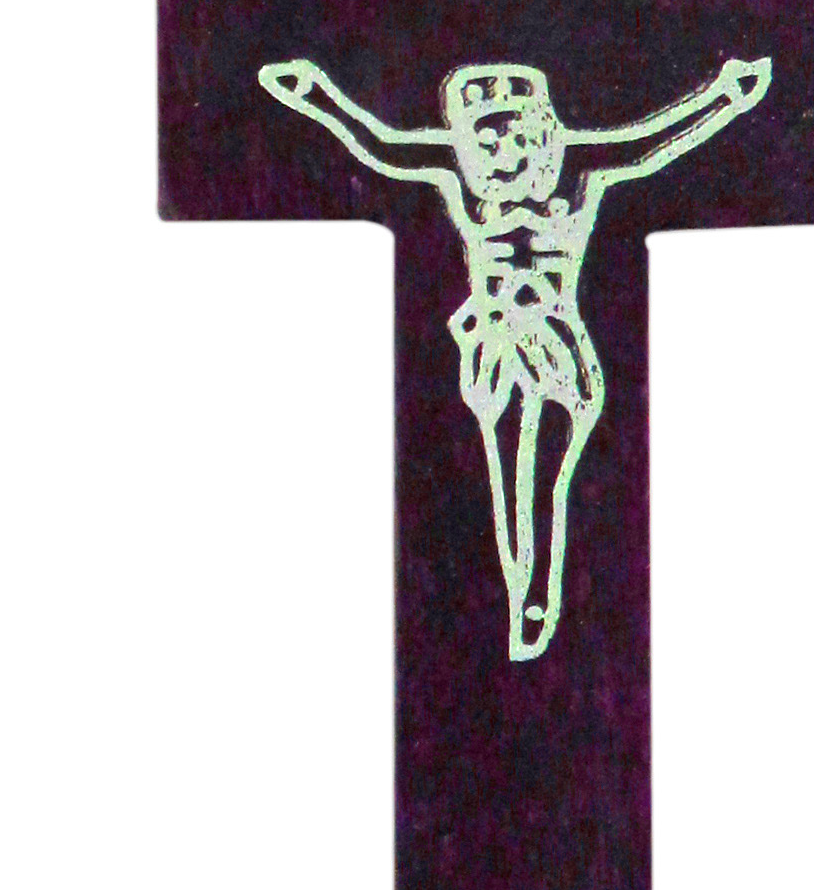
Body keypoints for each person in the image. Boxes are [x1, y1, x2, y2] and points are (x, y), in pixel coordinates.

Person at [258, 53, 772, 660]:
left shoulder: (580, 172)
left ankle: (538, 596)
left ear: (542, 130)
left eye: (516, 134)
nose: (503, 151)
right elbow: (385, 147)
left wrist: (724, 97)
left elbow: (647, 145)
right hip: (495, 348)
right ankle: (522, 590)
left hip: (556, 350)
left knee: (548, 476)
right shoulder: (457, 180)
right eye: (486, 139)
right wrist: (316, 97)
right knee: (507, 478)